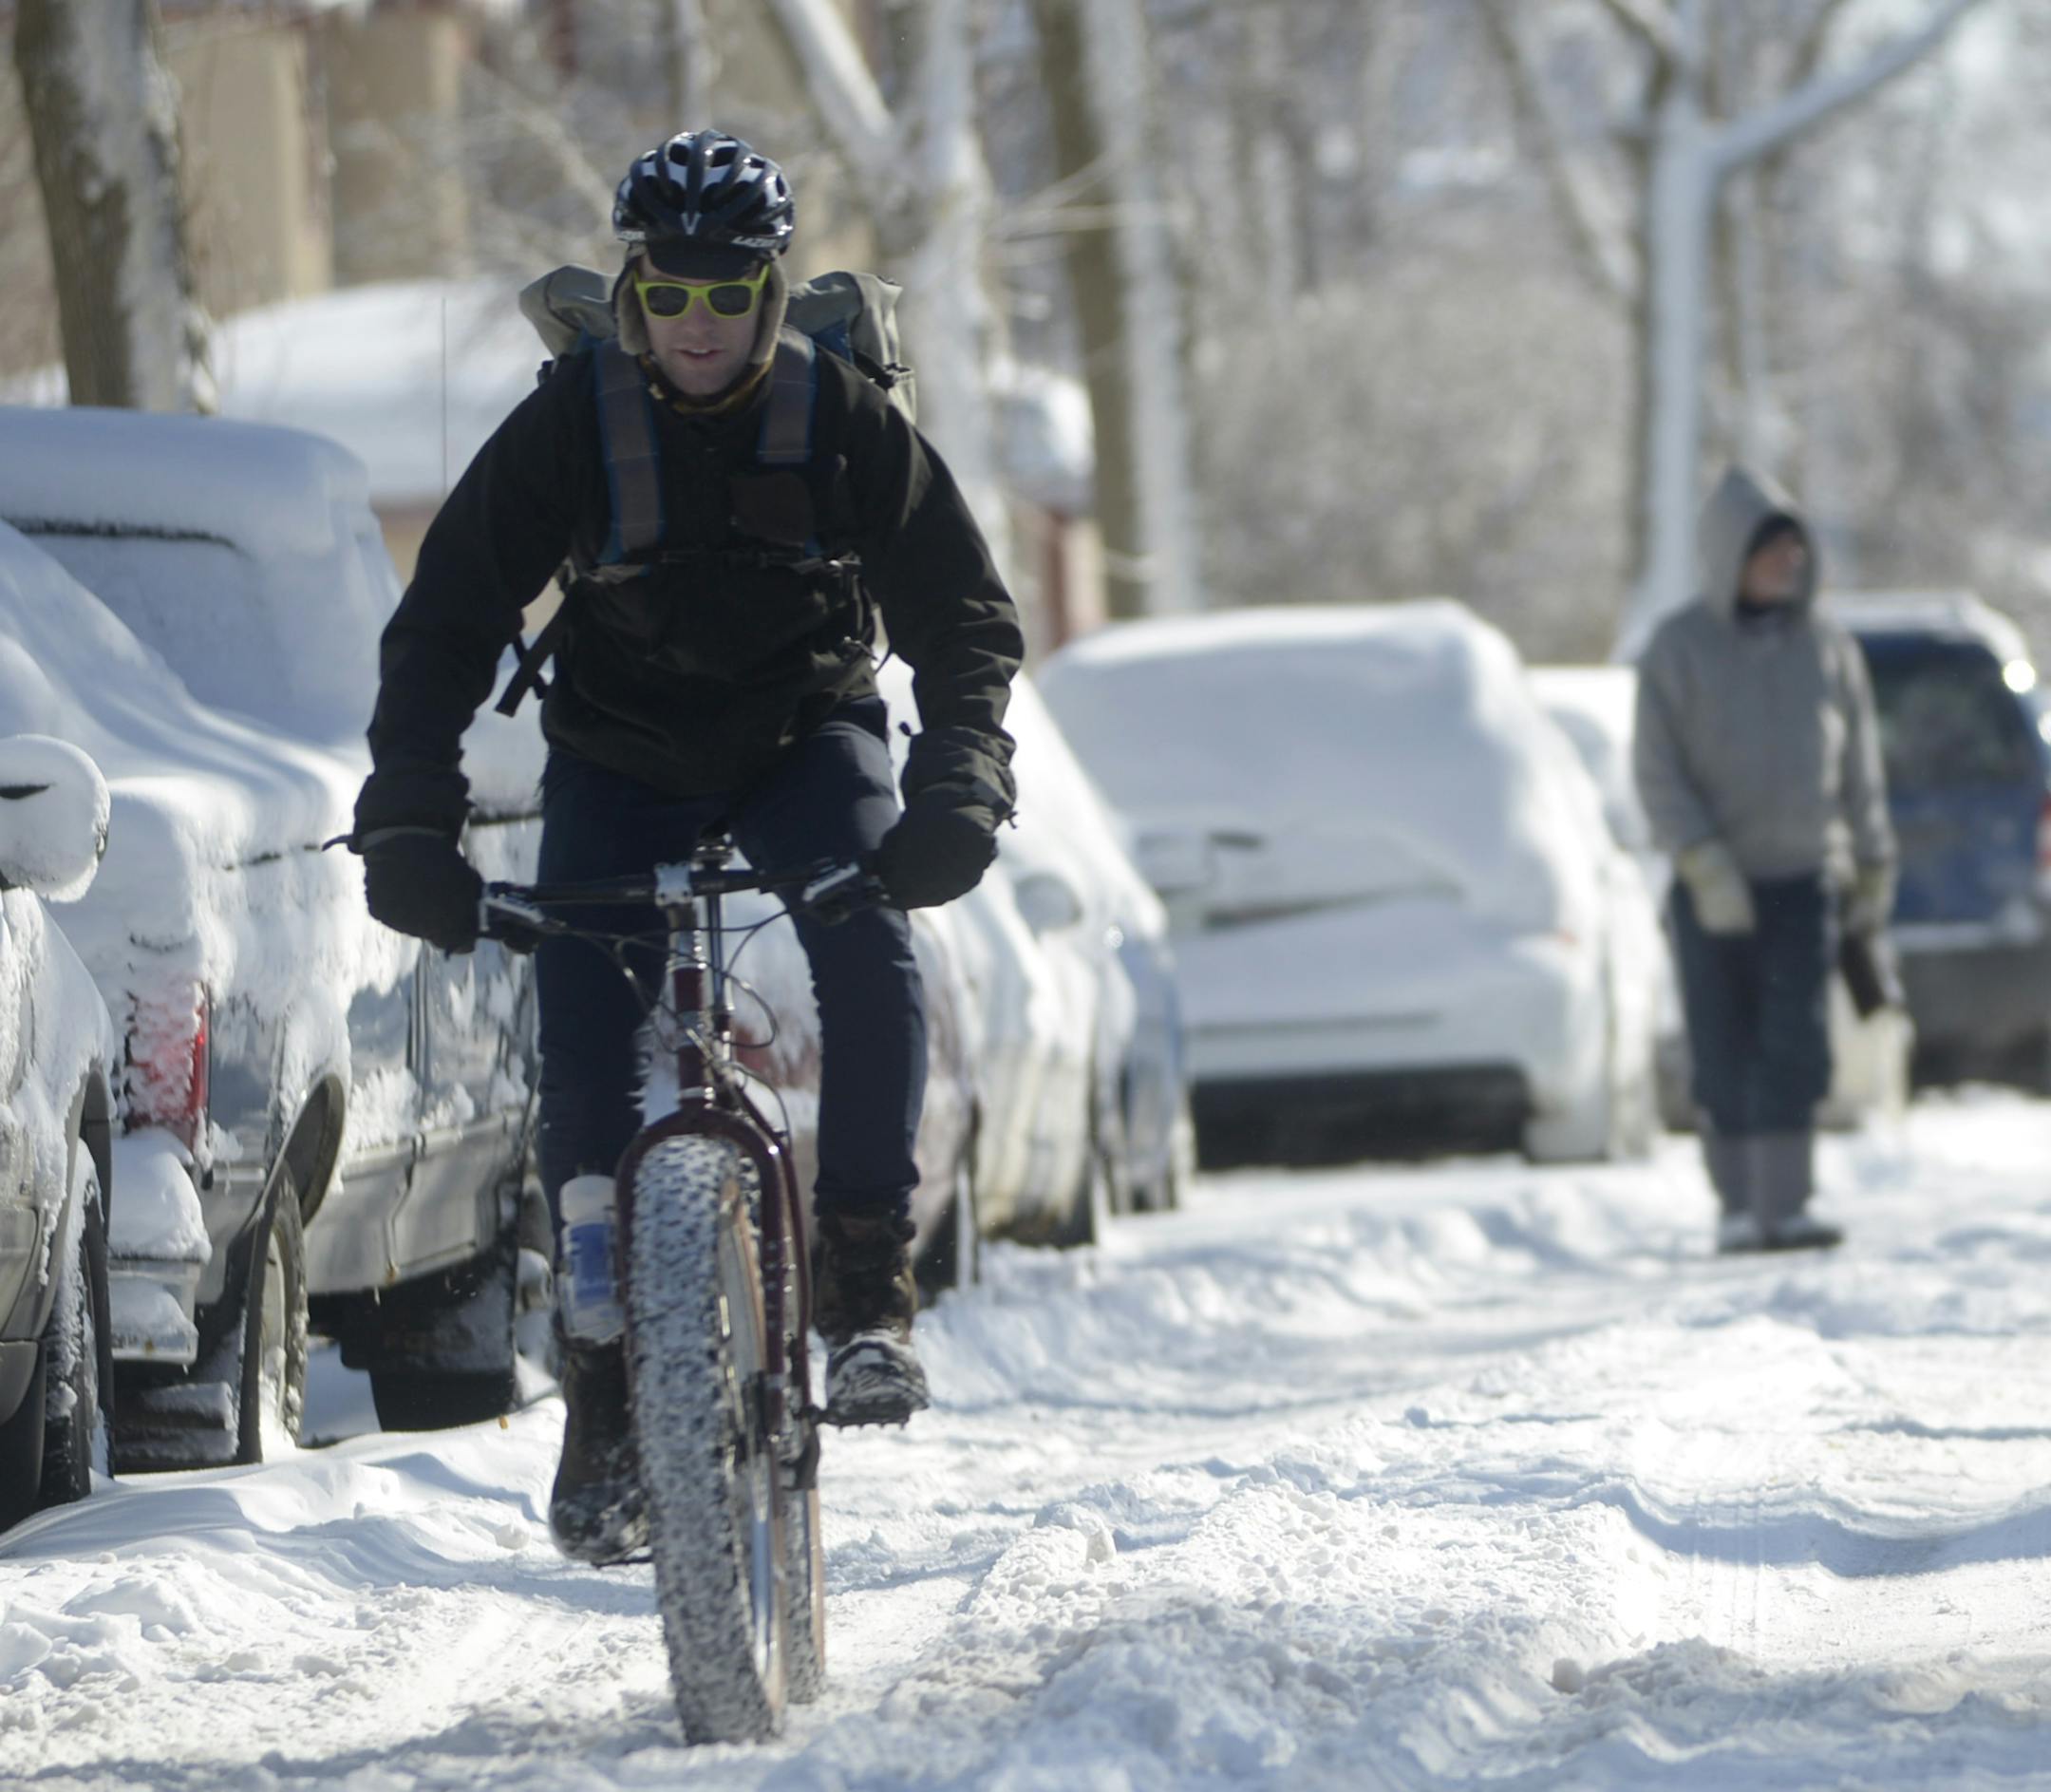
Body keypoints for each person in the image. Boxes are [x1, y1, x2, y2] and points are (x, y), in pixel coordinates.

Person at [348, 130, 1024, 1561]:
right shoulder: (569, 425)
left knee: (868, 943)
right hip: (621, 754)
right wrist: (411, 803)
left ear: (773, 292)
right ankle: (603, 1376)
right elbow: (447, 623)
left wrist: (960, 777)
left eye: (728, 294)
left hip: (806, 741)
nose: (700, 325)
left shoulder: (842, 417)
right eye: (671, 297)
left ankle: (861, 1285)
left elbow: (964, 616)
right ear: (634, 292)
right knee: (584, 1028)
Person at [1633, 466, 1895, 1254]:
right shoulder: (1678, 650)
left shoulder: (1827, 646)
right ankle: (1738, 1207)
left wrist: (1873, 858)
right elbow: (1655, 769)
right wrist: (1701, 860)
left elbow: (1860, 765)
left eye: (1795, 549)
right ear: (1729, 556)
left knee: (1796, 1043)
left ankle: (1787, 1205)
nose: (1789, 563)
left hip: (1802, 878)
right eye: (1771, 549)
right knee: (1723, 1045)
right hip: (1713, 887)